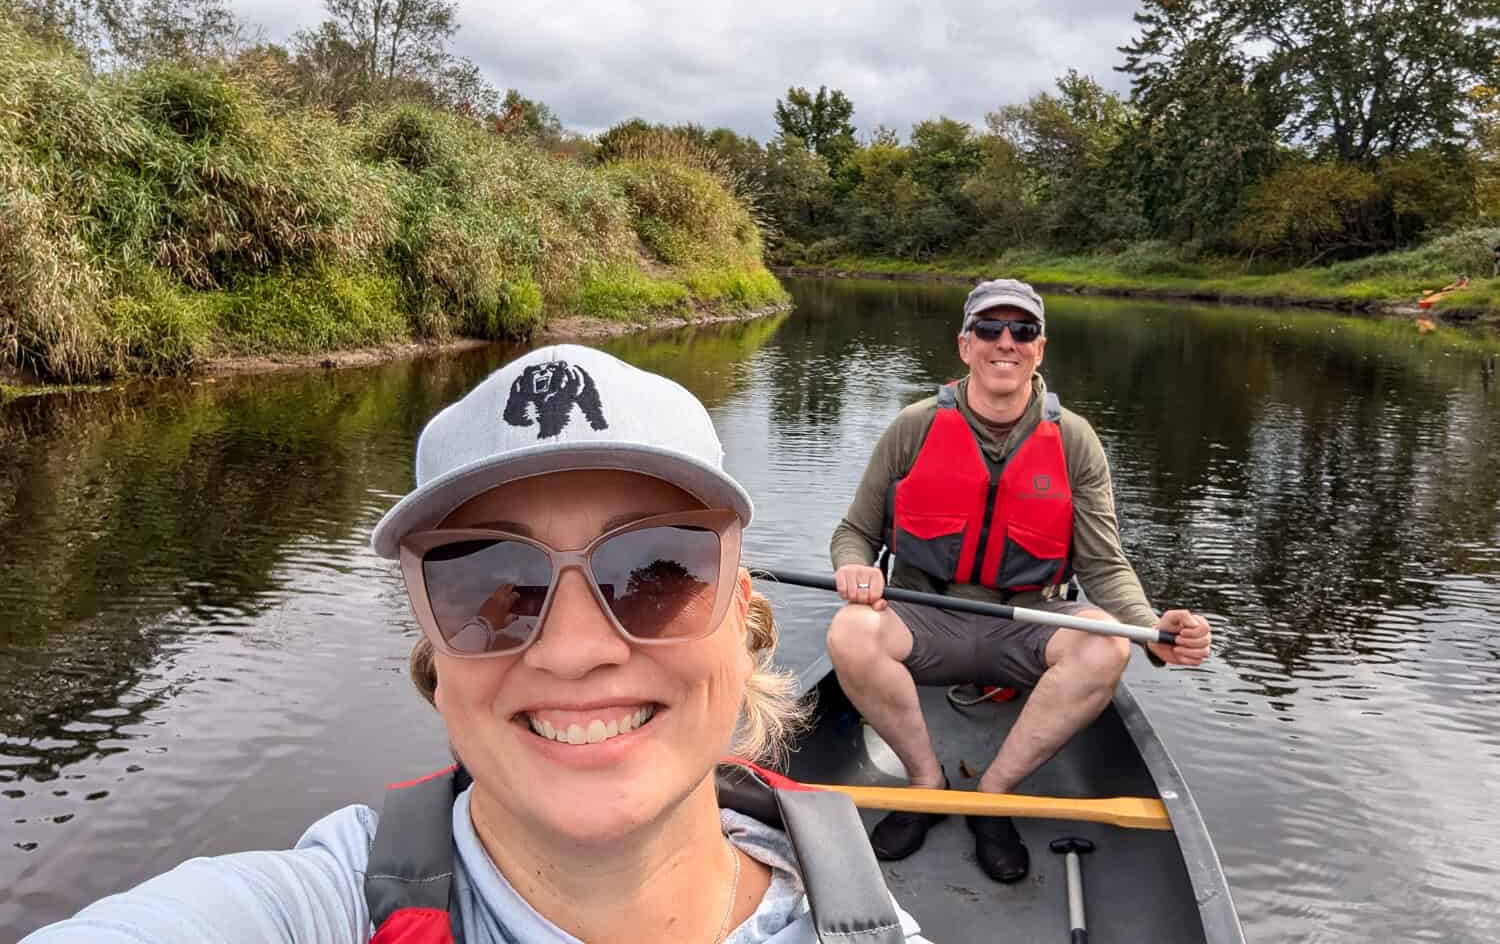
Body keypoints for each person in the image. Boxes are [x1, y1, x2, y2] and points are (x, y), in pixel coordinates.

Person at [24, 344, 929, 944]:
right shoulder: (318, 911)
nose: (573, 649)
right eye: (488, 585)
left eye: (656, 567)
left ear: (744, 617)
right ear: (435, 659)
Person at [825, 279, 1212, 884]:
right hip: (926, 615)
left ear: (1040, 348)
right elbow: (855, 531)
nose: (1005, 342)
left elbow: (1103, 563)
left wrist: (1151, 629)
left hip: (1030, 624)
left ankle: (995, 796)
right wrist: (853, 567)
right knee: (850, 633)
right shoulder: (914, 426)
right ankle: (927, 782)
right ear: (964, 344)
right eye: (989, 329)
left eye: (1022, 331)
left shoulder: (1075, 440)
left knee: (1107, 642)